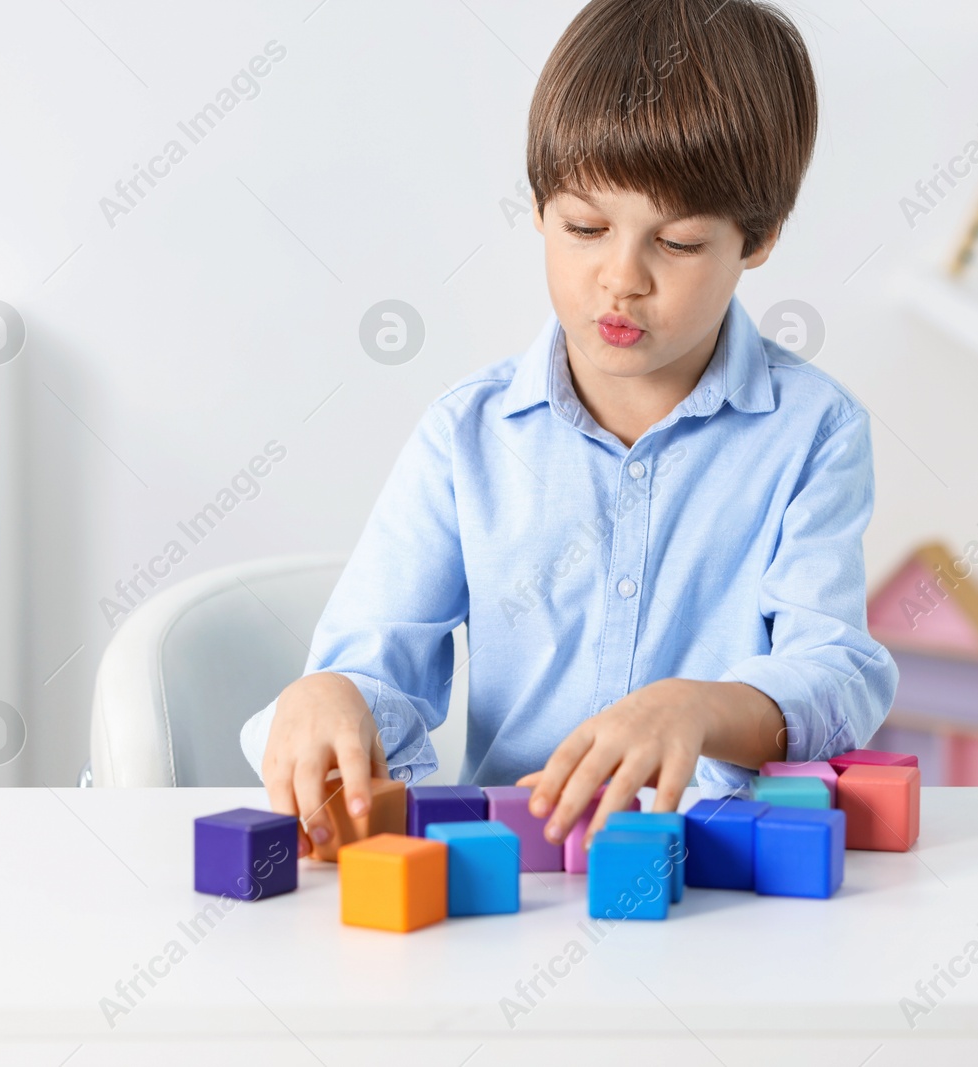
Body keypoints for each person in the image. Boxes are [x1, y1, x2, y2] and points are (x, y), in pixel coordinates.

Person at [240, 0, 897, 860]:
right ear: (542, 209)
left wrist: (699, 708)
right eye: (585, 228)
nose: (620, 278)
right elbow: (376, 668)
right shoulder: (466, 436)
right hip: (517, 877)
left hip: (716, 879)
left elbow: (837, 671)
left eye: (679, 242)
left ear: (759, 238)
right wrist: (330, 693)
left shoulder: (813, 432)